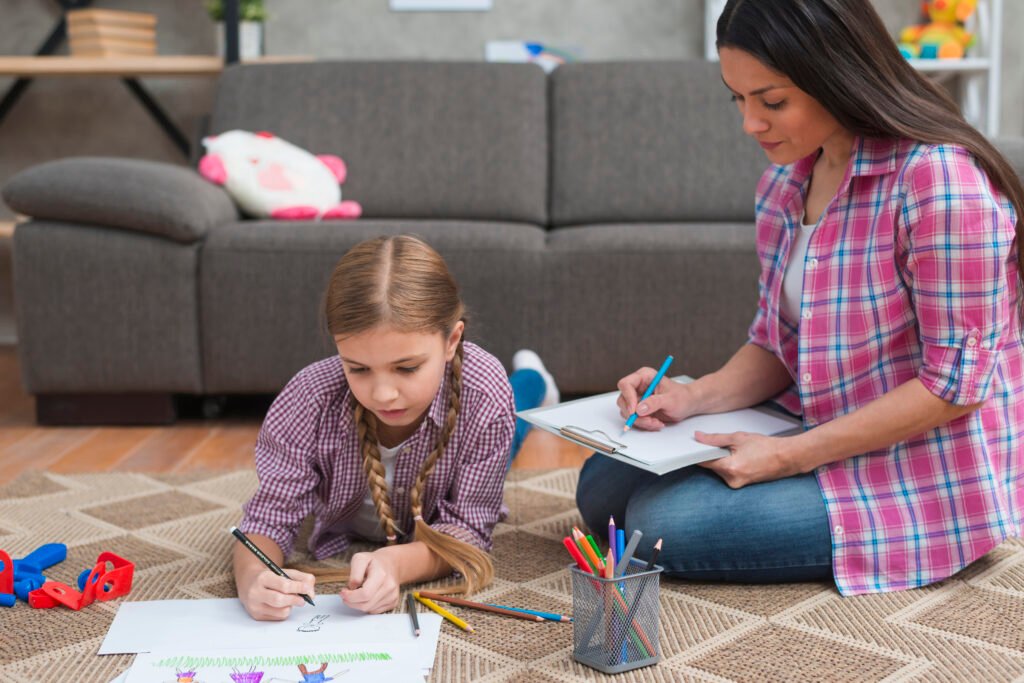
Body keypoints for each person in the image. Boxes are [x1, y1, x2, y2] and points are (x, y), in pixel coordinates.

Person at [576, 0, 1023, 596]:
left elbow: (955, 389)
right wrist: (692, 396)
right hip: (815, 417)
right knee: (601, 487)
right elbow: (777, 342)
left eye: (772, 101)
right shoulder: (785, 184)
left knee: (659, 525)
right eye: (738, 99)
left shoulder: (940, 183)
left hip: (919, 464)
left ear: (836, 76)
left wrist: (788, 458)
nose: (750, 124)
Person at [234, 235, 558, 620]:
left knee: (516, 420)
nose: (384, 394)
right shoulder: (309, 397)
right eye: (357, 368)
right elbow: (268, 518)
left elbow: (470, 527)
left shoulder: (483, 393)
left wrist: (398, 564)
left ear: (452, 340)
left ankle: (534, 379)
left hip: (479, 407)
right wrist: (254, 577)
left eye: (407, 368)